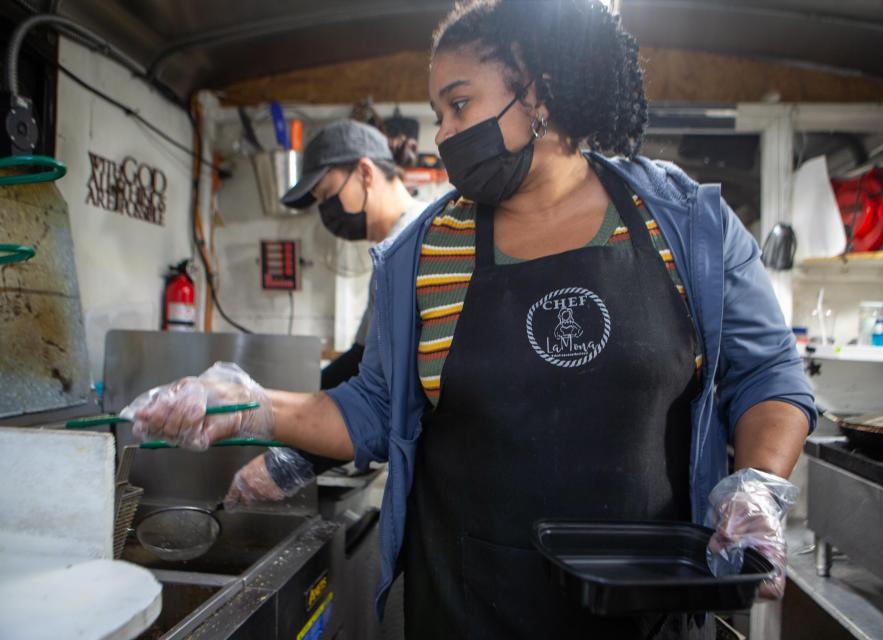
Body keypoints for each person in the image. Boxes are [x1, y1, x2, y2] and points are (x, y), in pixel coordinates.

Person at [123, 2, 815, 638]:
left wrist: (757, 484)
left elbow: (769, 374)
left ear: (539, 90)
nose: (445, 134)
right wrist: (250, 406)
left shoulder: (686, 224)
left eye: (459, 105)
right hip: (469, 607)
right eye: (439, 113)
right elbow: (371, 407)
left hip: (648, 608)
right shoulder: (424, 253)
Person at [226, 119, 427, 505]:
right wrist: (298, 420)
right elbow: (360, 362)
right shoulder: (391, 252)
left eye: (328, 194)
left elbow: (385, 394)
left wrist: (295, 457)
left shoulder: (413, 243)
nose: (326, 211)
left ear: (365, 172)